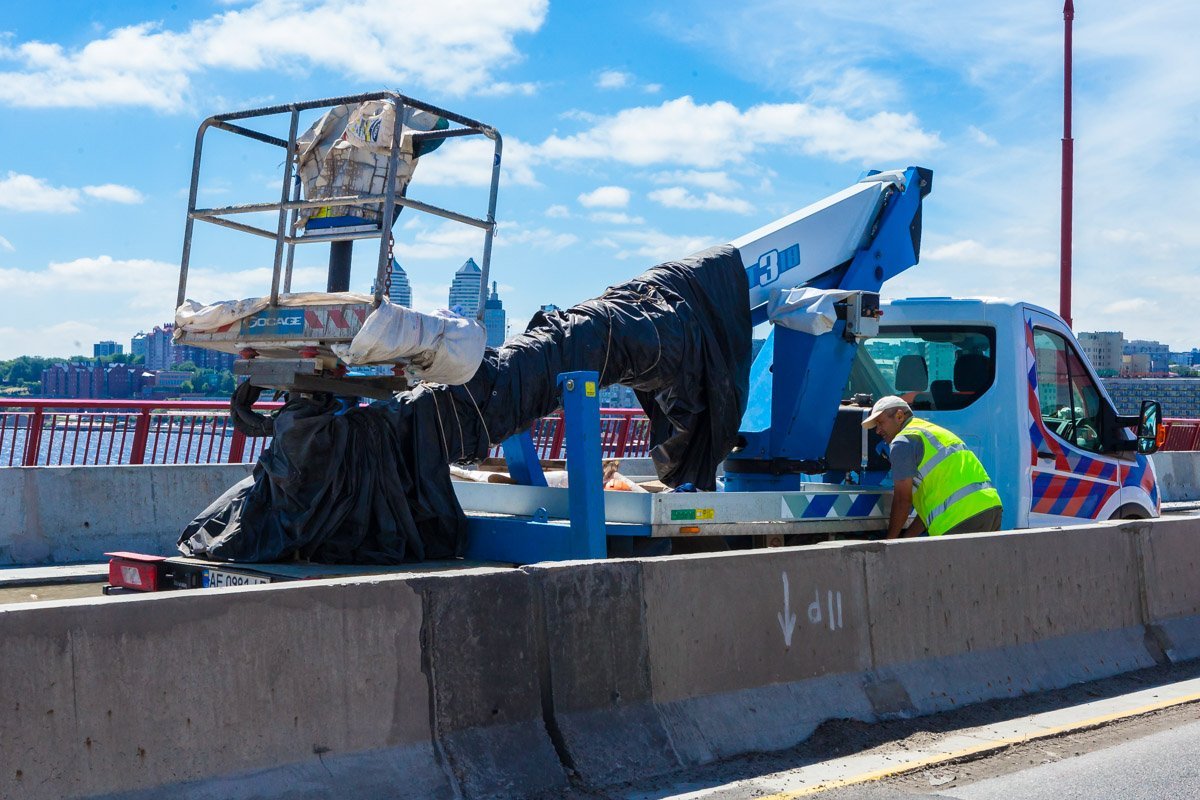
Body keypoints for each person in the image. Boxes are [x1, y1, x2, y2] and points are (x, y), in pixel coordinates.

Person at [861, 395, 1003, 538]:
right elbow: (930, 512)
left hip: (961, 517)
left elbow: (902, 500)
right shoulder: (931, 431)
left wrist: (890, 542)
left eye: (880, 423)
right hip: (990, 508)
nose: (878, 430)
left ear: (899, 416)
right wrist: (906, 539)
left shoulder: (903, 442)